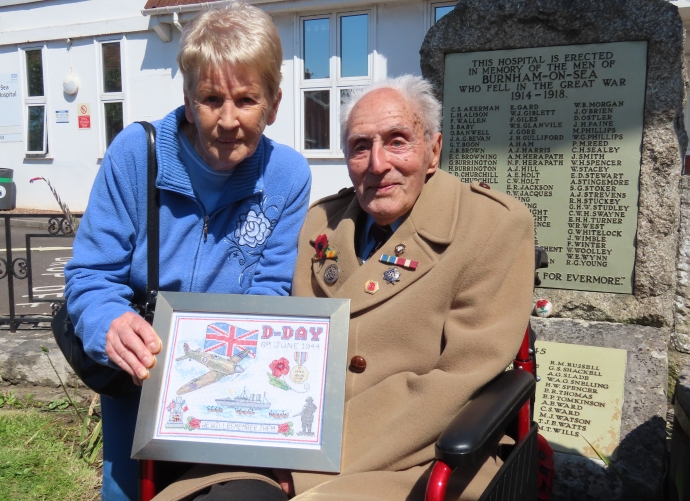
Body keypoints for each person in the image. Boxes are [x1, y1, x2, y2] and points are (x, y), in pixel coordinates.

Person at [153, 75, 534, 501]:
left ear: (433, 150)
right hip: (292, 438)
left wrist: (303, 462)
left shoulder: (490, 227)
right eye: (360, 146)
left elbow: (457, 382)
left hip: (417, 457)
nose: (377, 164)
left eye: (397, 141)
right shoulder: (321, 223)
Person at [63, 3, 311, 499]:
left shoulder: (287, 176)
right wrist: (108, 322)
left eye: (245, 100)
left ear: (275, 104)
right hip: (140, 373)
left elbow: (270, 291)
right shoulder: (136, 155)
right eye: (210, 98)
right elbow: (90, 274)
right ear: (186, 96)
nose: (226, 120)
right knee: (127, 493)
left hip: (230, 382)